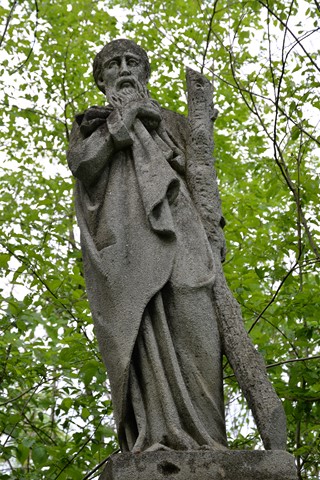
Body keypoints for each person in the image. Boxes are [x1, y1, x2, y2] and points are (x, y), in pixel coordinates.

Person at [68, 39, 227, 453]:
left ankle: (210, 444)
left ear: (145, 72)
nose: (123, 69)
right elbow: (84, 165)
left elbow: (202, 179)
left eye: (132, 62)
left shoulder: (174, 123)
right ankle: (157, 434)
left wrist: (215, 230)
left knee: (200, 332)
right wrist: (127, 120)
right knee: (139, 335)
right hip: (126, 250)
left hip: (186, 236)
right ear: (101, 79)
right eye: (113, 64)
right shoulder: (92, 124)